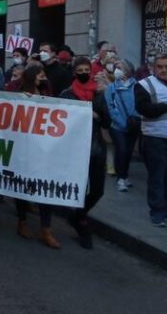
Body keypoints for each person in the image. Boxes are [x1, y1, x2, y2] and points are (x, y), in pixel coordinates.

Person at [60, 57, 110, 248]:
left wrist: (96, 115)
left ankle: (77, 216)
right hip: (75, 149)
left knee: (98, 190)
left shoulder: (98, 94)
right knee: (78, 189)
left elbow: (107, 122)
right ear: (74, 72)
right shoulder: (66, 94)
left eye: (86, 70)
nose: (83, 73)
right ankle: (82, 225)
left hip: (96, 148)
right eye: (79, 70)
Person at [134, 54, 167, 227]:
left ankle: (165, 207)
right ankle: (156, 211)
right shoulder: (143, 85)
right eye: (160, 67)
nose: (163, 70)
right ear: (154, 68)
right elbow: (143, 108)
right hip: (154, 137)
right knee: (157, 176)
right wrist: (166, 107)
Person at [14, 63, 60, 249]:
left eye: (44, 74)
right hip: (23, 146)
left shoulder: (47, 93)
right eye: (39, 74)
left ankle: (46, 228)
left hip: (43, 148)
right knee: (22, 184)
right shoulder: (18, 93)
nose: (42, 77)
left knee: (44, 186)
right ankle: (22, 221)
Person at [105, 59, 140, 192]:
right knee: (122, 150)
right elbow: (111, 107)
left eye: (119, 67)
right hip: (117, 126)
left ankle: (125, 176)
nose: (116, 70)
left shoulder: (137, 86)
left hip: (133, 125)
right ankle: (120, 178)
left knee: (129, 152)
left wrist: (135, 119)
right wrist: (122, 121)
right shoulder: (111, 87)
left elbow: (140, 104)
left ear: (127, 70)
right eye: (116, 68)